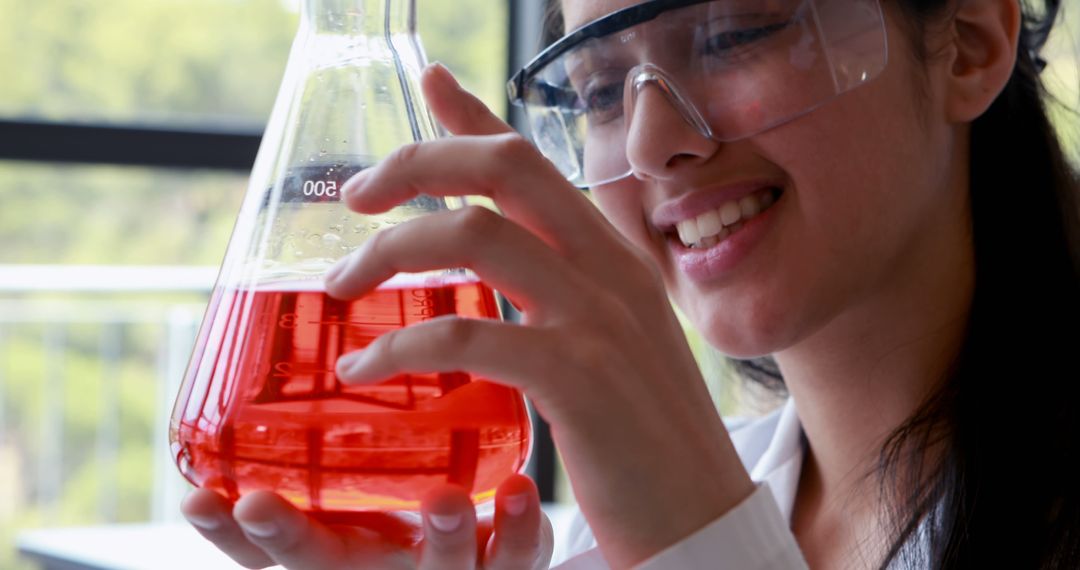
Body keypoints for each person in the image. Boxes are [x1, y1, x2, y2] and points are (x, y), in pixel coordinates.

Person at [180, 0, 1080, 567]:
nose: (651, 144)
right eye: (600, 92)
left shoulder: (673, 522)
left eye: (729, 37)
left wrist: (694, 539)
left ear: (966, 43)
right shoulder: (596, 545)